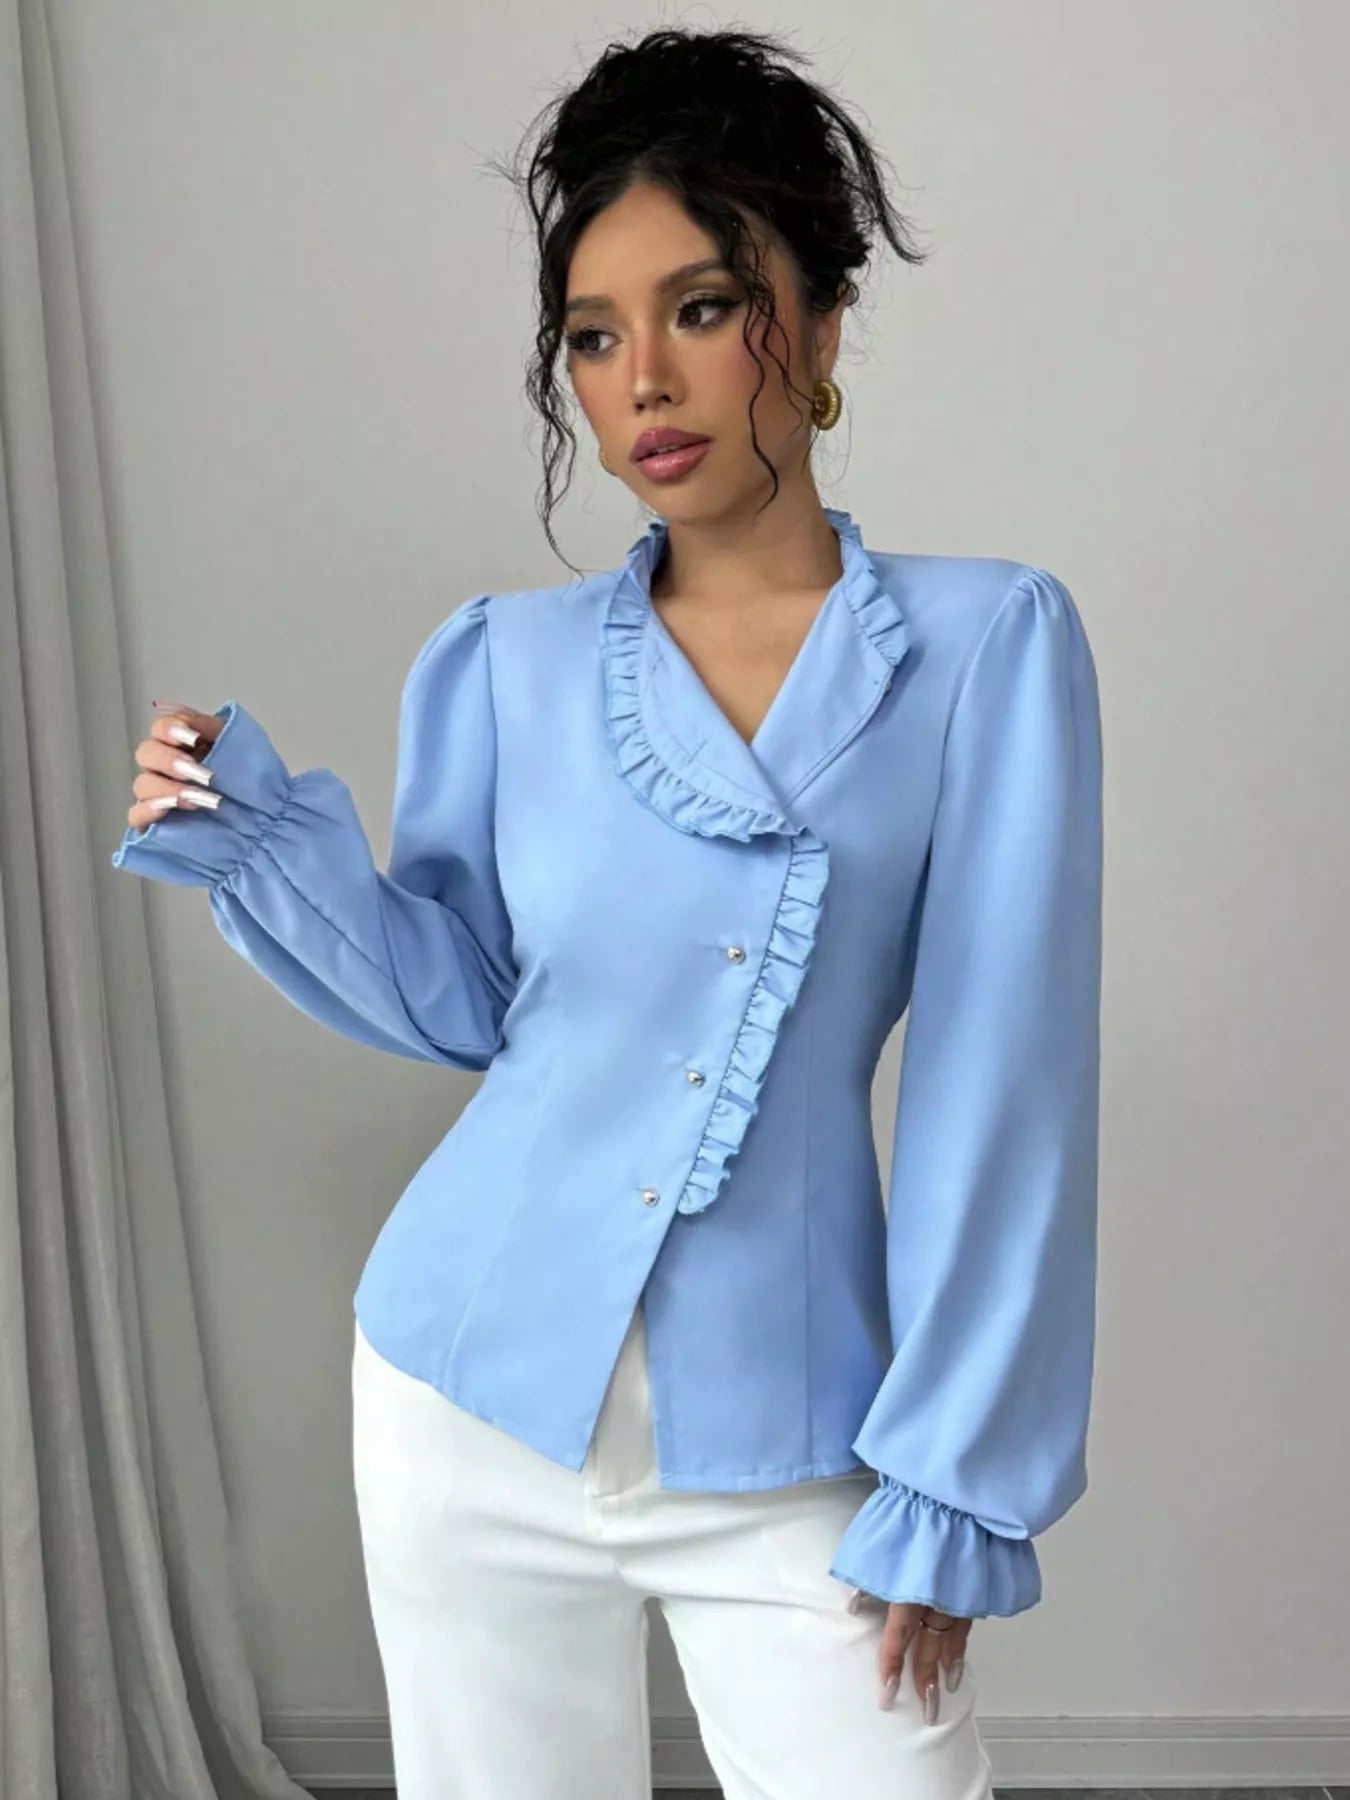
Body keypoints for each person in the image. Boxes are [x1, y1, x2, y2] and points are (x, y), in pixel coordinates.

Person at [111, 25, 1103, 1800]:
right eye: (590, 335)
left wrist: (957, 1473)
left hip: (789, 1424)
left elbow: (1001, 1085)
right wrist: (246, 833)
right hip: (466, 1400)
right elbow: (470, 1000)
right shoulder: (507, 662)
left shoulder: (984, 647)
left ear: (819, 321)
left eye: (702, 308)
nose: (642, 377)